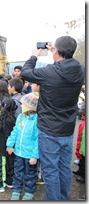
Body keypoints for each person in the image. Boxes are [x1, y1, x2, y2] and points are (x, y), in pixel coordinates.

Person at [21, 36, 85, 200]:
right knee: (64, 167)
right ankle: (63, 197)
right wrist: (55, 50)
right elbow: (68, 62)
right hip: (67, 128)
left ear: (56, 51)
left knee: (50, 170)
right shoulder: (80, 69)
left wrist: (34, 55)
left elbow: (25, 72)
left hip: (49, 130)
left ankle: (54, 199)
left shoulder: (49, 72)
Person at [6, 92, 40, 200]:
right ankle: (16, 189)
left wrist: (35, 156)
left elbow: (38, 140)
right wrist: (10, 144)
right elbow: (15, 131)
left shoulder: (37, 120)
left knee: (30, 174)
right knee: (17, 172)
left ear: (30, 106)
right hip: (18, 152)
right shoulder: (20, 117)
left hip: (30, 155)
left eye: (23, 104)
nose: (21, 106)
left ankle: (29, 191)